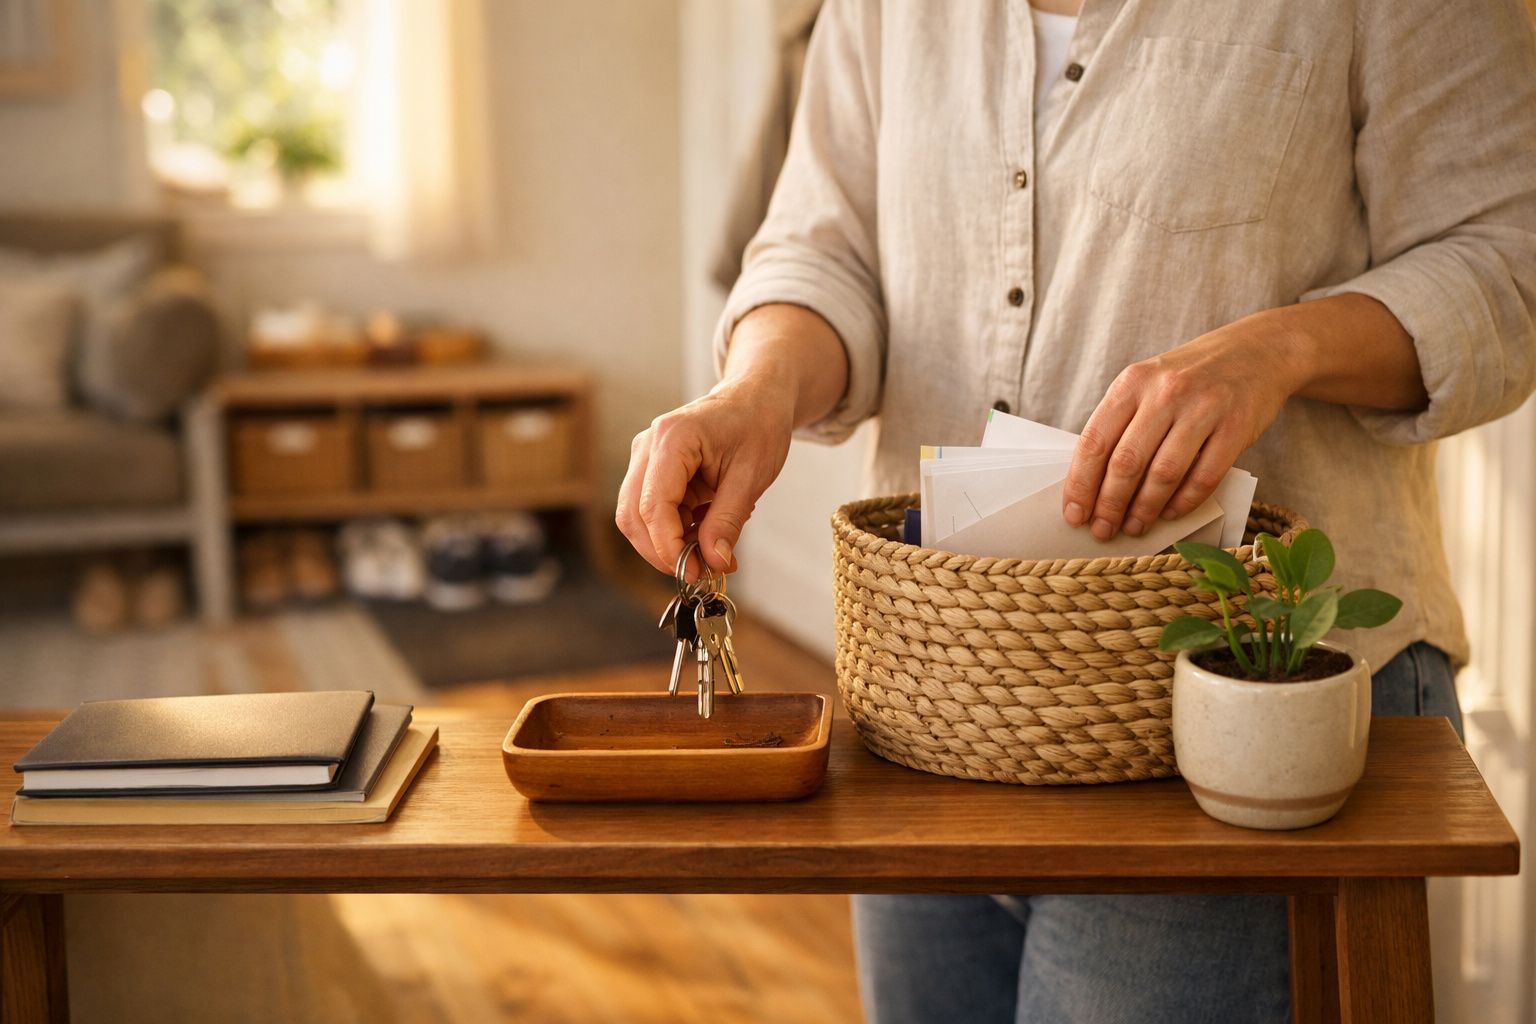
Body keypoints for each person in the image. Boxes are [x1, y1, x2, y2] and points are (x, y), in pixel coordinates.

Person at [617, 1, 1536, 1021]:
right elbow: (823, 253)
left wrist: (1281, 349)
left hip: (1254, 714)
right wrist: (754, 392)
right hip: (940, 708)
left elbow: (1508, 265)